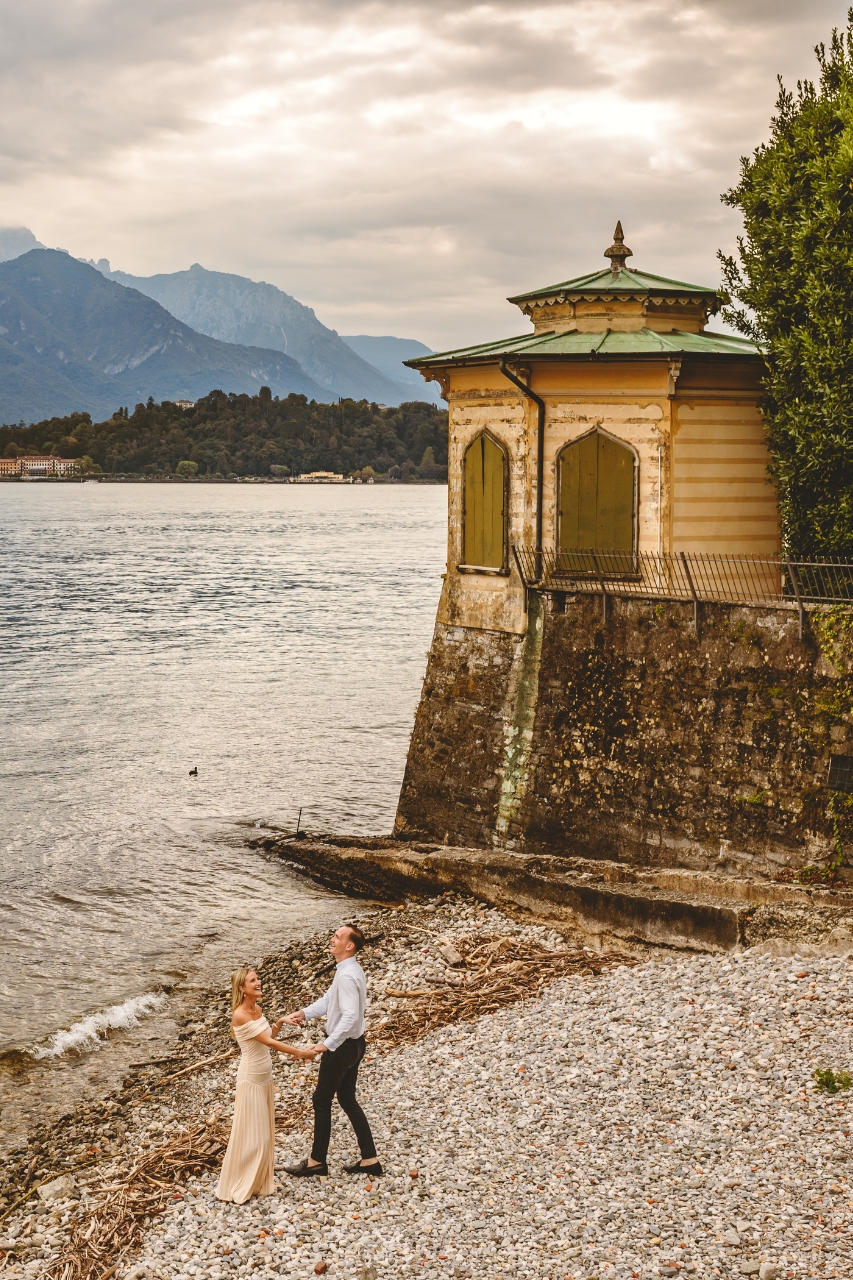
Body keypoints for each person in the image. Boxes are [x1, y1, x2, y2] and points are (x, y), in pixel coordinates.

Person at [282, 923, 381, 1177]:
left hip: (344, 1048)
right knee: (347, 1098)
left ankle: (317, 1162)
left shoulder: (347, 975)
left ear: (349, 946)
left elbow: (349, 1016)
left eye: (337, 937)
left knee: (321, 1099)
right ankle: (370, 1159)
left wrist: (327, 1045)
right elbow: (329, 1000)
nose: (332, 939)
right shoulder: (349, 970)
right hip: (356, 1044)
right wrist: (305, 1013)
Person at [216, 966, 322, 1204]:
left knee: (264, 1132)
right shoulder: (240, 1014)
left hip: (265, 1077)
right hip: (251, 1078)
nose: (258, 982)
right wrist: (301, 1053)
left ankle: (258, 1181)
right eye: (253, 981)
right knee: (253, 1135)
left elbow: (268, 1037)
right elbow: (270, 1044)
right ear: (242, 988)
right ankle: (242, 1181)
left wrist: (280, 1022)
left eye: (258, 979)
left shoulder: (257, 1009)